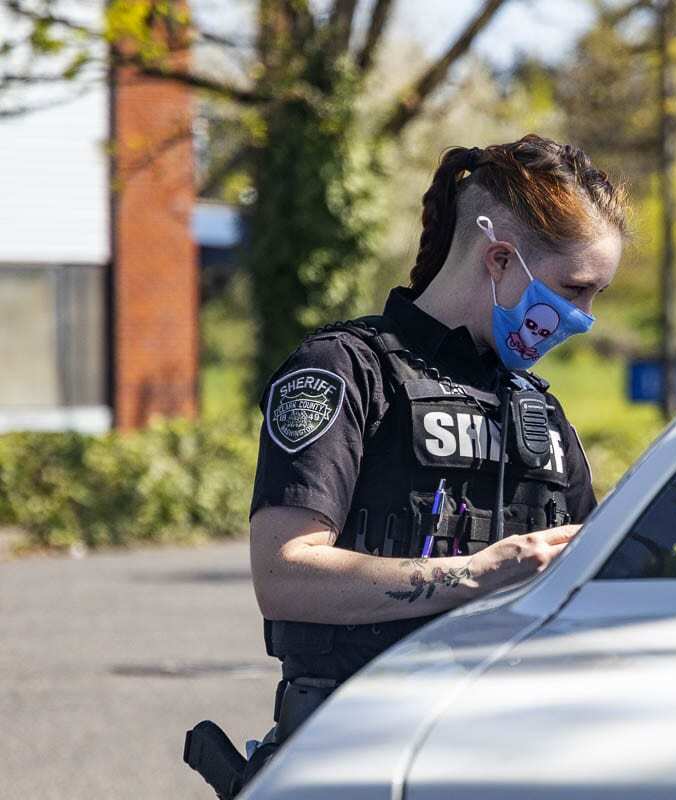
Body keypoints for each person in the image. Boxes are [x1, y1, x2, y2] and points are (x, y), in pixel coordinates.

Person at [184, 134, 627, 797]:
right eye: (575, 289)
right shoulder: (345, 371)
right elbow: (284, 574)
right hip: (356, 760)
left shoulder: (540, 411)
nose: (584, 319)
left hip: (510, 761)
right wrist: (477, 574)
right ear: (500, 259)